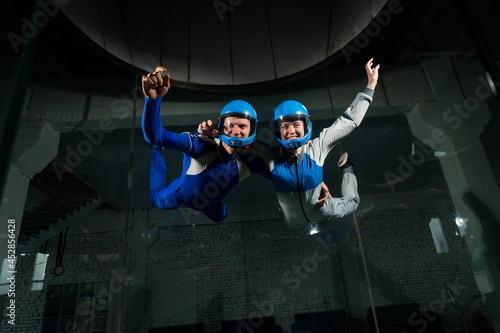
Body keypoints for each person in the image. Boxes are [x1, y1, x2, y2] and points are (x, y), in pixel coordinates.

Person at [199, 58, 379, 227]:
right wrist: (213, 132)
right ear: (278, 130)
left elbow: (348, 121)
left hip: (324, 210)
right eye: (285, 126)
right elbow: (236, 139)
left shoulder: (317, 147)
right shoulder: (269, 154)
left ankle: (347, 168)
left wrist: (370, 87)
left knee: (353, 203)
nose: (291, 131)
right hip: (289, 219)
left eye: (295, 125)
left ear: (306, 125)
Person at [142, 67, 270, 222]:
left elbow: (286, 174)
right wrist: (152, 100)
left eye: (242, 126)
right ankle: (156, 151)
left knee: (221, 217)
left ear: (252, 129)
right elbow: (157, 136)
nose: (236, 131)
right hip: (181, 197)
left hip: (213, 203)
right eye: (230, 125)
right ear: (221, 126)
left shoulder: (253, 159)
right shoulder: (201, 145)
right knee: (155, 198)